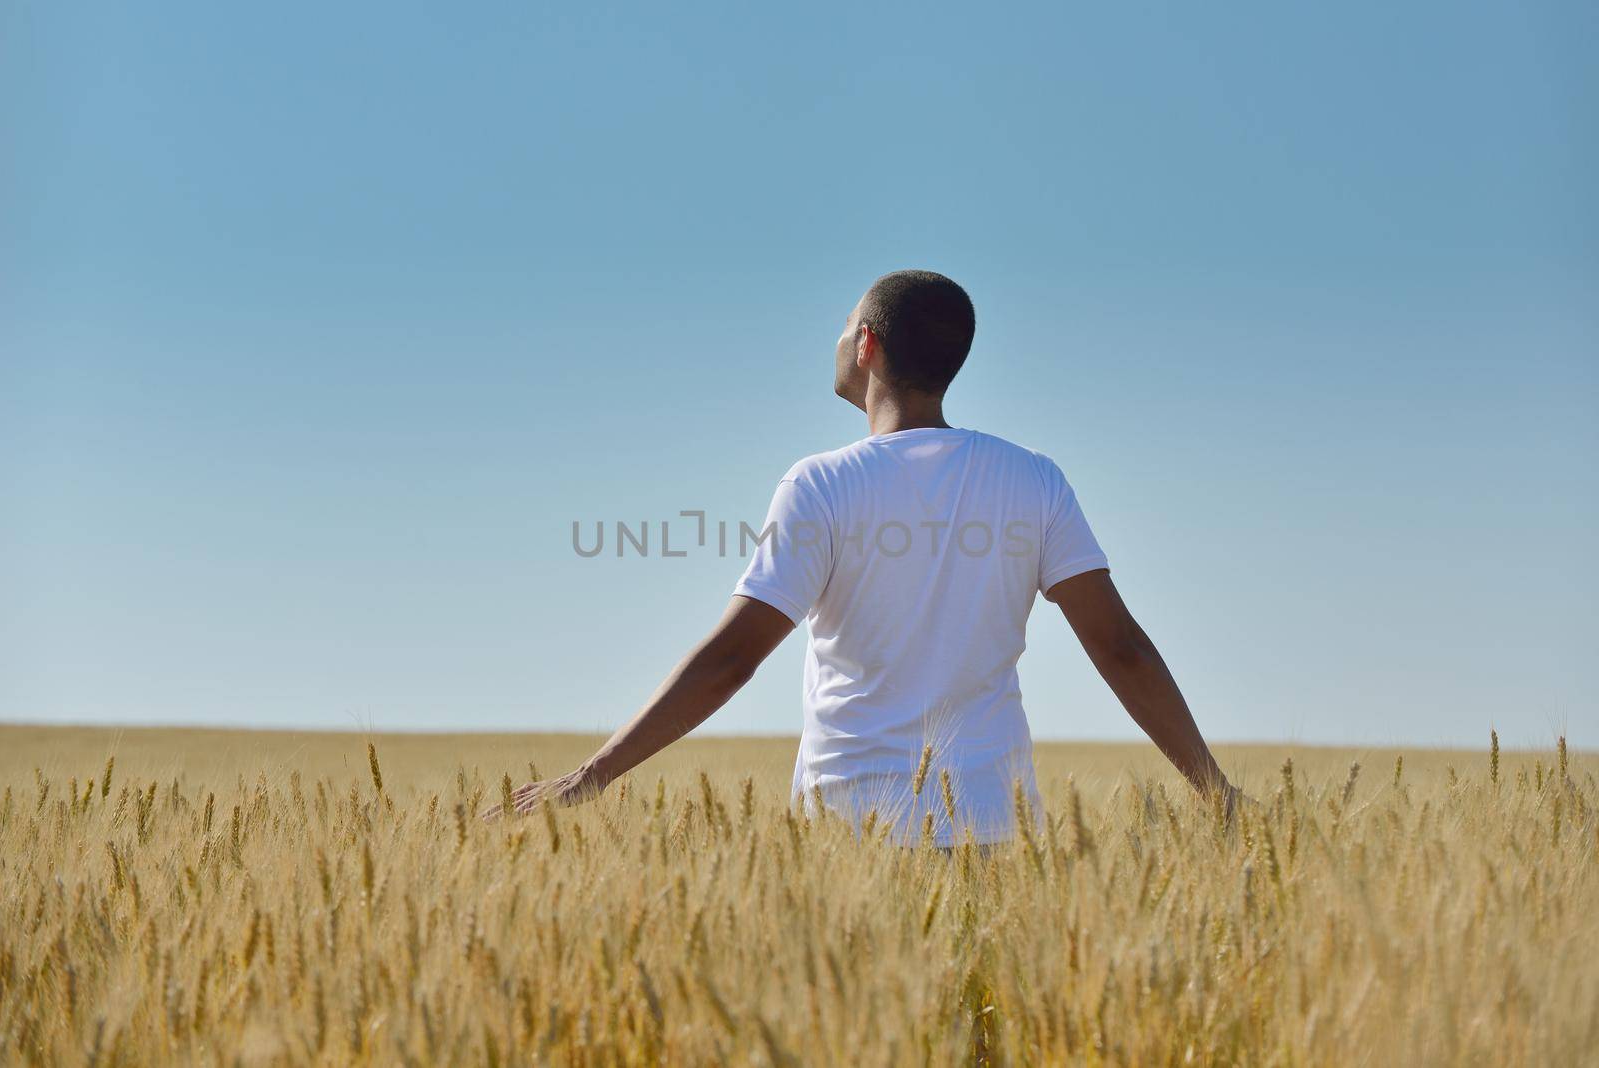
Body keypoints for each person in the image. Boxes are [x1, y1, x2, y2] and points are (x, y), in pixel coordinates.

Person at [486, 270, 1236, 840]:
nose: (839, 341)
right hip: (996, 835)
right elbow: (1123, 650)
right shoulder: (1034, 479)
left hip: (849, 833)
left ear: (868, 345)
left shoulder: (822, 485)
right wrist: (1217, 791)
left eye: (845, 326)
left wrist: (591, 777)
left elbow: (730, 659)